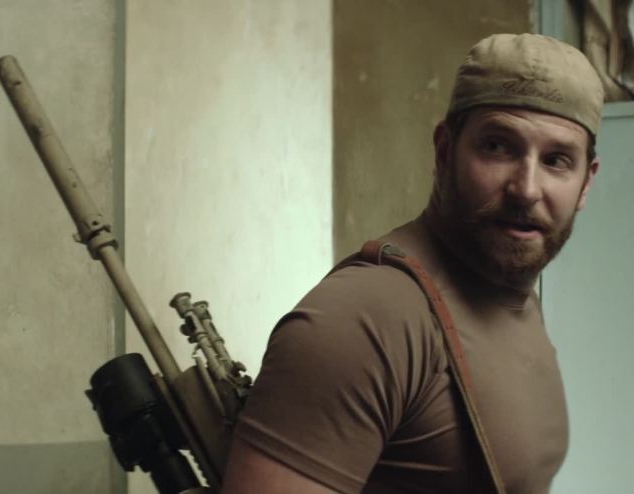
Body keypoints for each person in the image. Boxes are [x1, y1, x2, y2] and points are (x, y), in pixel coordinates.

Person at [221, 33, 604, 494]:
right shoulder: (367, 319)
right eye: (498, 147)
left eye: (557, 160)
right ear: (444, 151)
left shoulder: (512, 292)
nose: (525, 188)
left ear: (586, 183)